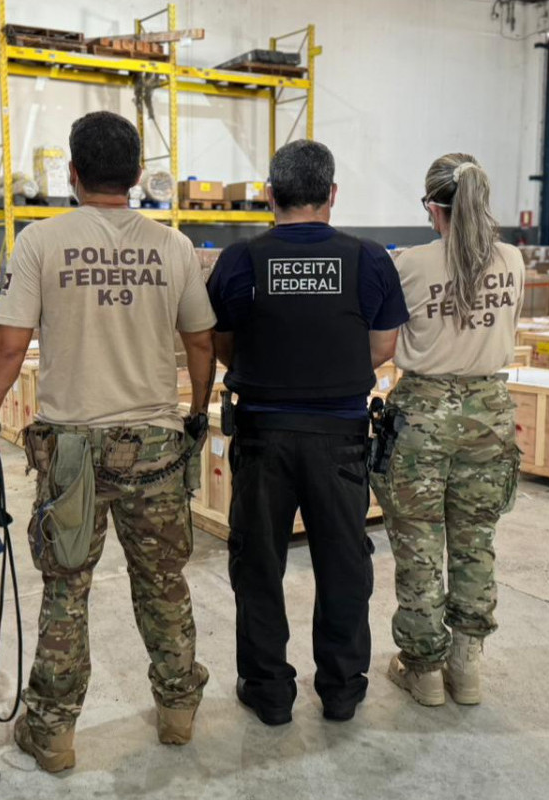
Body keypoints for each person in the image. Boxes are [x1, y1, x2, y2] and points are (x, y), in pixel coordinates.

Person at [0, 111, 216, 772]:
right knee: (163, 583)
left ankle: (52, 734)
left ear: (73, 174)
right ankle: (177, 714)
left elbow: (8, 343)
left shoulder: (39, 243)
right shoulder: (174, 247)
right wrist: (195, 411)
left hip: (72, 450)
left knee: (66, 589)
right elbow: (200, 339)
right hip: (157, 447)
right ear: (138, 177)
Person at [206, 139, 409, 726]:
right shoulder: (368, 258)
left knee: (258, 564)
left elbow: (220, 342)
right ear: (332, 194)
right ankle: (342, 690)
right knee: (345, 565)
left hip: (263, 435)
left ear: (270, 195)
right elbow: (383, 346)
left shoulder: (241, 261)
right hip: (341, 435)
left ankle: (270, 693)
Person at [370, 153, 523, 708]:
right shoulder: (513, 259)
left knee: (417, 544)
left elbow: (383, 342)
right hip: (490, 412)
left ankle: (424, 669)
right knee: (476, 543)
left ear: (434, 208)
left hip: (423, 416)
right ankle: (467, 668)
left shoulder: (410, 263)